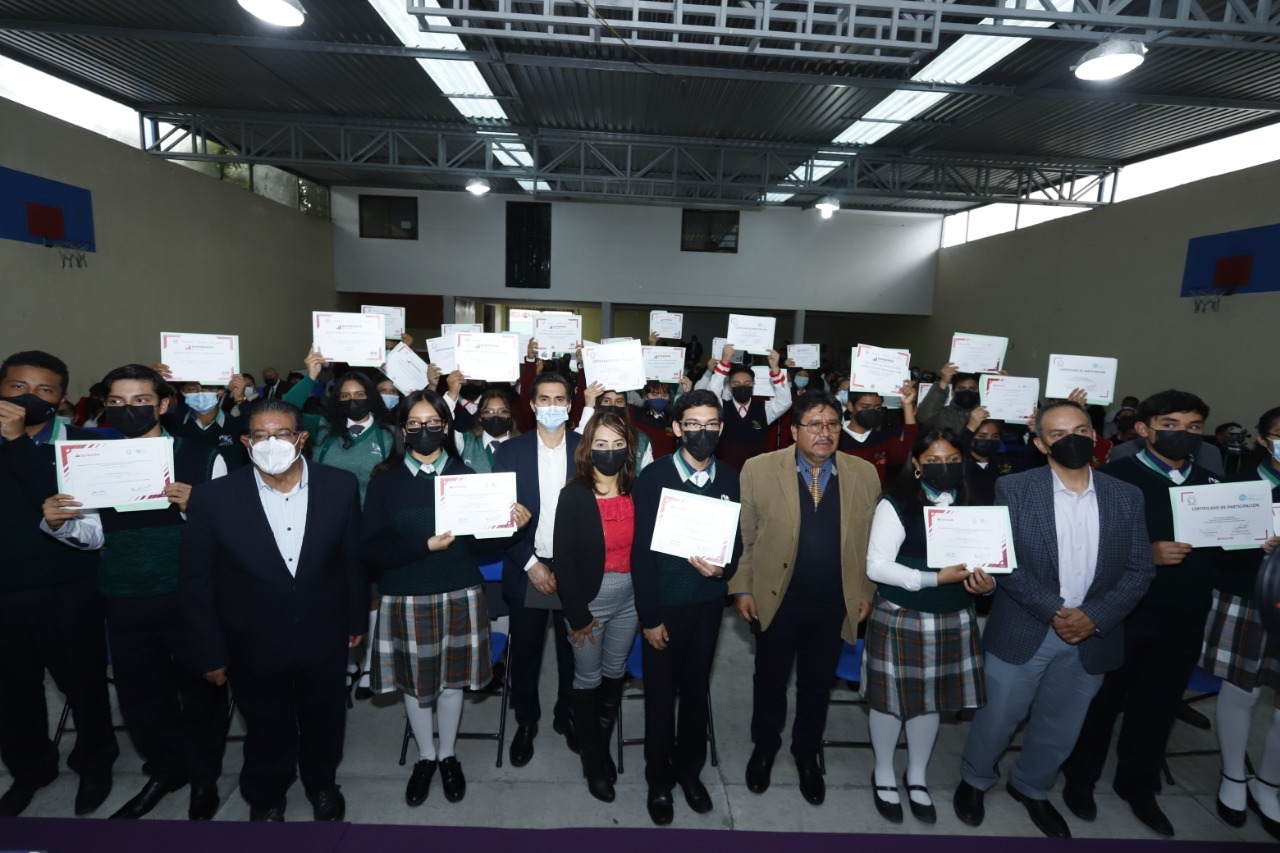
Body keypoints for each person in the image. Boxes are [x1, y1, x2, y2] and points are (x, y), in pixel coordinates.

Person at [956, 401, 1154, 839]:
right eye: (1059, 434)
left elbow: (1140, 569)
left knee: (1062, 723)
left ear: (1095, 436)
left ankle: (1032, 786)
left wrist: (1093, 617)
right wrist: (1054, 610)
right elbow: (1005, 562)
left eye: (1081, 430)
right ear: (1041, 444)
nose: (1072, 440)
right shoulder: (1015, 488)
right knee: (998, 717)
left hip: (1092, 633)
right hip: (1025, 625)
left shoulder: (1126, 495)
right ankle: (975, 778)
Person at [42, 364, 230, 821]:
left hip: (190, 597)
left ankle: (203, 775)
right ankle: (166, 769)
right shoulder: (87, 460)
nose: (129, 409)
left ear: (163, 404)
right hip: (124, 595)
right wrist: (60, 524)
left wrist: (197, 508)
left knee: (201, 691)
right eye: (117, 402)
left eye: (141, 400)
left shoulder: (204, 457)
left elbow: (233, 533)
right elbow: (92, 535)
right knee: (141, 697)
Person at [180, 399, 367, 822]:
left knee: (325, 719)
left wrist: (357, 619)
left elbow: (352, 560)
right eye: (260, 435)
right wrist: (209, 651)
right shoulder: (212, 498)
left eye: (281, 434)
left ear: (302, 438)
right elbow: (196, 583)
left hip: (324, 631)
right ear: (246, 442)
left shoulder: (339, 486)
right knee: (266, 725)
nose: (271, 443)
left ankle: (321, 783)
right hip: (251, 638)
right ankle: (266, 795)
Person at [1062, 390, 1222, 837]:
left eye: (1193, 427)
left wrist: (1258, 541)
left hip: (1186, 612)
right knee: (1101, 701)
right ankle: (1080, 778)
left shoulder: (1215, 486)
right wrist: (1145, 553)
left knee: (1158, 704)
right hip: (1122, 610)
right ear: (1143, 429)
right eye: (1170, 425)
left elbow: (1229, 553)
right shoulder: (1111, 479)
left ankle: (1138, 784)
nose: (1182, 434)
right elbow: (1082, 547)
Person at [362, 390, 529, 806]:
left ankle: (448, 755)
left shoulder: (465, 477)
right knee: (417, 686)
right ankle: (426, 756)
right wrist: (424, 546)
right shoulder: (385, 481)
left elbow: (481, 543)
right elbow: (371, 551)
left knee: (453, 683)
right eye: (415, 424)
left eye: (433, 422)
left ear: (446, 426)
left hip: (459, 591)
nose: (425, 430)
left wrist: (512, 525)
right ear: (403, 430)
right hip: (406, 596)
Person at [730, 392, 879, 805]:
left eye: (832, 424)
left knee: (817, 685)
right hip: (776, 601)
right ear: (794, 430)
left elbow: (872, 543)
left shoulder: (864, 474)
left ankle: (807, 753)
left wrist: (866, 592)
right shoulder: (759, 469)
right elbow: (744, 536)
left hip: (834, 604)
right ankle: (765, 746)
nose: (824, 432)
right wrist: (742, 587)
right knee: (770, 681)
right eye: (814, 424)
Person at [0, 351, 118, 818]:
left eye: (44, 390)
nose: (29, 397)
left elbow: (53, 501)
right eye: (17, 387)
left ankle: (95, 762)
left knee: (83, 684)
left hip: (68, 588)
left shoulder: (82, 445)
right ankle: (30, 770)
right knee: (12, 691)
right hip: (4, 590)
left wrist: (15, 443)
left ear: (61, 399)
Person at [865, 429, 995, 825]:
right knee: (890, 701)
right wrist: (934, 578)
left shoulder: (975, 503)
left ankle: (917, 775)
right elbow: (877, 566)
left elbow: (992, 561)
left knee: (931, 700)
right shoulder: (896, 503)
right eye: (934, 460)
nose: (945, 467)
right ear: (917, 464)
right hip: (903, 613)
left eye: (953, 460)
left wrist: (988, 584)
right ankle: (883, 771)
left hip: (955, 616)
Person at [631, 389, 741, 825]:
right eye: (693, 424)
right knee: (661, 698)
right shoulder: (653, 477)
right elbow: (641, 554)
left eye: (711, 424)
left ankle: (689, 772)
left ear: (721, 428)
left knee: (696, 693)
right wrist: (650, 616)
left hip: (708, 605)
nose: (702, 432)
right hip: (664, 606)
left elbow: (736, 542)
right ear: (677, 428)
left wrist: (724, 568)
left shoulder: (729, 477)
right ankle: (658, 779)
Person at [491, 371, 582, 766]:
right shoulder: (510, 453)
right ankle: (526, 721)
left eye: (559, 399)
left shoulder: (586, 449)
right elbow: (497, 520)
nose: (551, 406)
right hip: (527, 564)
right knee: (525, 654)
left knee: (573, 652)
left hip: (574, 569)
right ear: (531, 405)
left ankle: (567, 714)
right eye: (544, 399)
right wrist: (531, 564)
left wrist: (571, 566)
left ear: (570, 405)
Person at [1199, 405, 1280, 838]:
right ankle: (1233, 775)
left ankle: (1269, 784)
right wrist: (1254, 545)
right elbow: (1212, 550)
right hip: (1245, 596)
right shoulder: (1237, 486)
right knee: (1242, 689)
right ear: (1264, 439)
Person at [553, 411, 640, 803]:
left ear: (628, 448)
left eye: (617, 444)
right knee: (587, 680)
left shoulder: (638, 490)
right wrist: (579, 615)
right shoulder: (574, 495)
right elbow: (564, 560)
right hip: (589, 603)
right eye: (601, 444)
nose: (610, 451)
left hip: (631, 600)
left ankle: (600, 746)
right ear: (588, 448)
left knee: (614, 673)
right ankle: (592, 760)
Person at [706, 346, 792, 471]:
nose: (742, 387)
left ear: (753, 385)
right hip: (725, 472)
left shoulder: (764, 408)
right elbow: (712, 392)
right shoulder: (721, 408)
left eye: (747, 384)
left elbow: (785, 401)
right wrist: (724, 363)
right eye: (736, 384)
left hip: (757, 473)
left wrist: (775, 369)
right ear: (729, 386)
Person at [838, 385, 919, 489]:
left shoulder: (883, 439)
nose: (871, 412)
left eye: (877, 408)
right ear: (850, 406)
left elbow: (907, 452)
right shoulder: (836, 439)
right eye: (865, 407)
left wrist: (907, 405)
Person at [579, 382, 654, 471]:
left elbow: (649, 473)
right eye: (607, 401)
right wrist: (588, 406)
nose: (613, 405)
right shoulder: (588, 433)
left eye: (619, 401)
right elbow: (577, 444)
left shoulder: (641, 439)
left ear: (625, 406)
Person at [454, 386, 519, 473]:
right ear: (480, 417)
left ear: (510, 415)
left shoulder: (523, 447)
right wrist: (452, 393)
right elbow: (444, 427)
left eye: (503, 411)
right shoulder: (465, 442)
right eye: (488, 412)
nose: (496, 416)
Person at [916, 363, 981, 434]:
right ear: (953, 392)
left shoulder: (984, 414)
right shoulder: (942, 415)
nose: (967, 392)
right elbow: (923, 417)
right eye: (961, 389)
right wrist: (943, 382)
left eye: (972, 389)